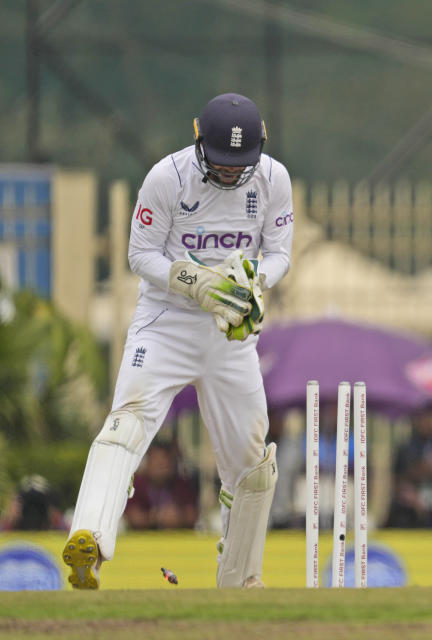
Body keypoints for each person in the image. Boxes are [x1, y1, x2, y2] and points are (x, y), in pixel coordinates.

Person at [61, 93, 294, 589]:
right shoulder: (166, 178)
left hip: (229, 334)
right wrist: (196, 281)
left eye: (241, 164)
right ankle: (89, 538)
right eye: (222, 163)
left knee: (253, 464)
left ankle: (240, 581)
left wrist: (252, 282)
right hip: (167, 321)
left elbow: (279, 254)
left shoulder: (274, 179)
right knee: (127, 423)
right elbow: (139, 255)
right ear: (198, 141)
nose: (231, 174)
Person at [125, 441, 199, 530]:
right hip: (142, 541)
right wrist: (158, 517)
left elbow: (193, 515)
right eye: (157, 462)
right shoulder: (136, 484)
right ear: (147, 463)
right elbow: (133, 518)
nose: (161, 466)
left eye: (165, 462)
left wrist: (179, 516)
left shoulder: (182, 484)